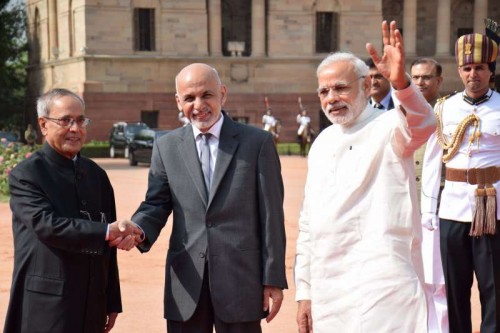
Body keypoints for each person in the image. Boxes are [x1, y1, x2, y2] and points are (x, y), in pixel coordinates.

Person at [294, 21, 435, 332]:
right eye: (324, 91)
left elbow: (424, 124)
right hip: (329, 287)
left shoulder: (389, 126)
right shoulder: (322, 143)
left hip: (384, 283)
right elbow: (308, 222)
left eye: (340, 87)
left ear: (366, 85)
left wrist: (400, 83)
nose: (331, 98)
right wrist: (304, 291)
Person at [125, 63, 287, 332]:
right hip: (186, 282)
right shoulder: (166, 146)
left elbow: (271, 216)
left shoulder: (257, 143)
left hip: (241, 280)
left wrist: (273, 278)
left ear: (222, 94)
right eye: (189, 98)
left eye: (206, 95)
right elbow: (156, 203)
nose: (198, 104)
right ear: (179, 102)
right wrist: (139, 229)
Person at [3, 88, 141, 333]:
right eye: (65, 120)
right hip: (46, 307)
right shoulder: (28, 174)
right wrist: (107, 231)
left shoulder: (97, 176)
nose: (75, 129)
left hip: (92, 304)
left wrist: (112, 300)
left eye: (80, 120)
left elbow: (108, 251)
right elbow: (47, 225)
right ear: (43, 125)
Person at [421, 32, 500, 333]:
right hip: (452, 209)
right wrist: (429, 209)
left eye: (480, 67)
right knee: (454, 288)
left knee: (493, 289)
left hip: (493, 210)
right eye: (467, 68)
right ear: (459, 71)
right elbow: (432, 161)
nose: (473, 74)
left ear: (491, 70)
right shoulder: (444, 108)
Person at [410, 58, 448, 333]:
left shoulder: (449, 113)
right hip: (405, 206)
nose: (420, 82)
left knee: (438, 280)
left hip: (438, 206)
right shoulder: (400, 112)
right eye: (415, 77)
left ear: (439, 81)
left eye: (426, 77)